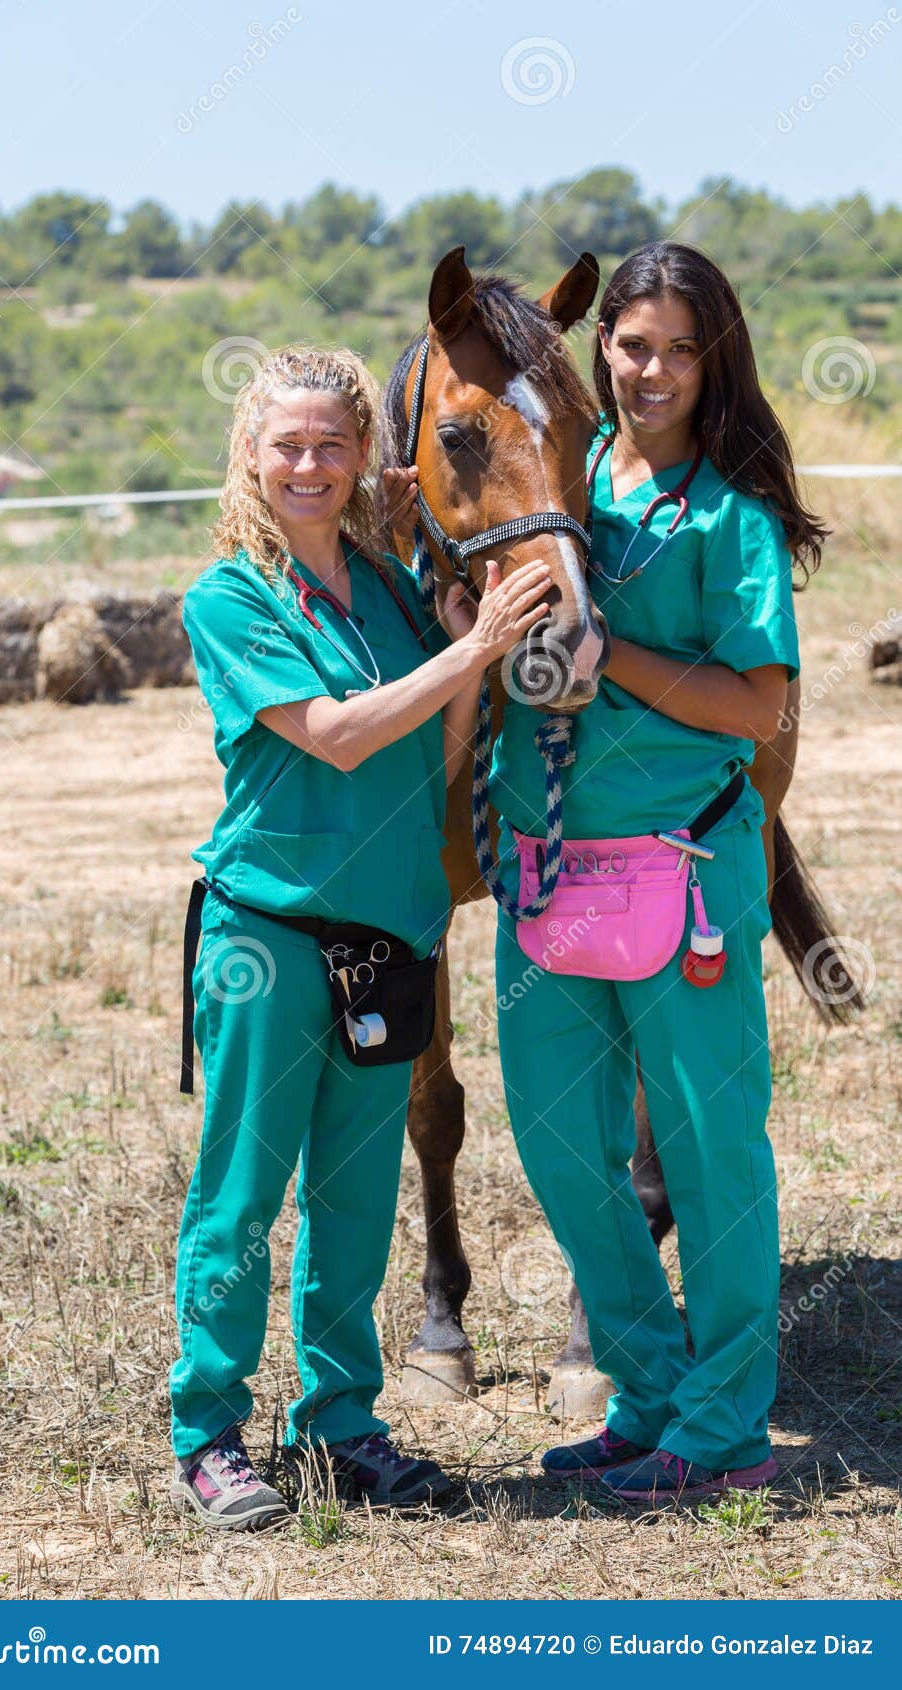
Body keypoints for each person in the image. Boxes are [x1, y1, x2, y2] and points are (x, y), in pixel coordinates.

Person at [170, 344, 553, 1530]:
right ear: (252, 452)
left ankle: (343, 1425)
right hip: (270, 933)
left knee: (353, 1197)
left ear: (363, 460)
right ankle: (210, 1432)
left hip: (389, 933)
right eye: (287, 443)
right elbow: (333, 734)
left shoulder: (389, 595)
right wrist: (476, 647)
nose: (310, 463)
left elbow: (428, 759)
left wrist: (457, 657)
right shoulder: (231, 595)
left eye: (333, 444)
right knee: (241, 1195)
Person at [490, 242, 826, 1502]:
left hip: (684, 874)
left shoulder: (730, 514)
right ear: (603, 349)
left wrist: (607, 647)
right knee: (562, 1144)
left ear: (714, 359)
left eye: (684, 349)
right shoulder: (558, 482)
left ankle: (727, 1420)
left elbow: (752, 705)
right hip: (543, 872)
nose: (656, 371)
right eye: (635, 345)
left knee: (706, 1150)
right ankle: (644, 1391)